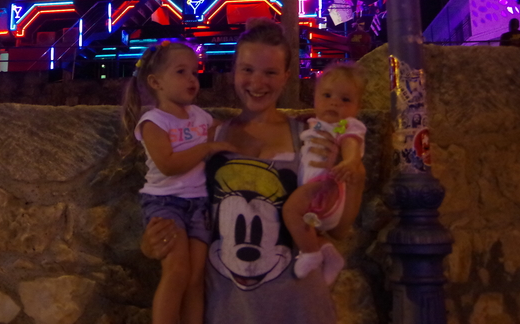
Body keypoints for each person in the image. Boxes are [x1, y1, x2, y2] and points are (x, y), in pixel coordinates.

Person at [141, 19, 366, 324]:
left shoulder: (309, 137)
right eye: (247, 69)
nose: (257, 83)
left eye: (270, 72)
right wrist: (152, 243)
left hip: (299, 309)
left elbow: (336, 229)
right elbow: (177, 205)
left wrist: (355, 174)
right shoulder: (208, 137)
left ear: (286, 77)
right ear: (233, 72)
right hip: (228, 311)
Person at [121, 40, 236, 324]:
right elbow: (169, 165)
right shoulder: (154, 121)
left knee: (196, 277)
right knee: (177, 271)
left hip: (200, 203)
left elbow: (226, 131)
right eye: (181, 72)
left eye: (195, 72)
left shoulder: (199, 116)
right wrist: (206, 148)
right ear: (156, 82)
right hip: (166, 202)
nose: (192, 79)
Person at [282, 63, 367, 283]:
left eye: (345, 99)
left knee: (291, 210)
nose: (334, 102)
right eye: (327, 95)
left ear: (357, 107)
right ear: (315, 98)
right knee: (309, 229)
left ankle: (311, 253)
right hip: (317, 191)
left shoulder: (345, 126)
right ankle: (327, 252)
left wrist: (350, 161)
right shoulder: (315, 123)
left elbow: (351, 143)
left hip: (325, 186)